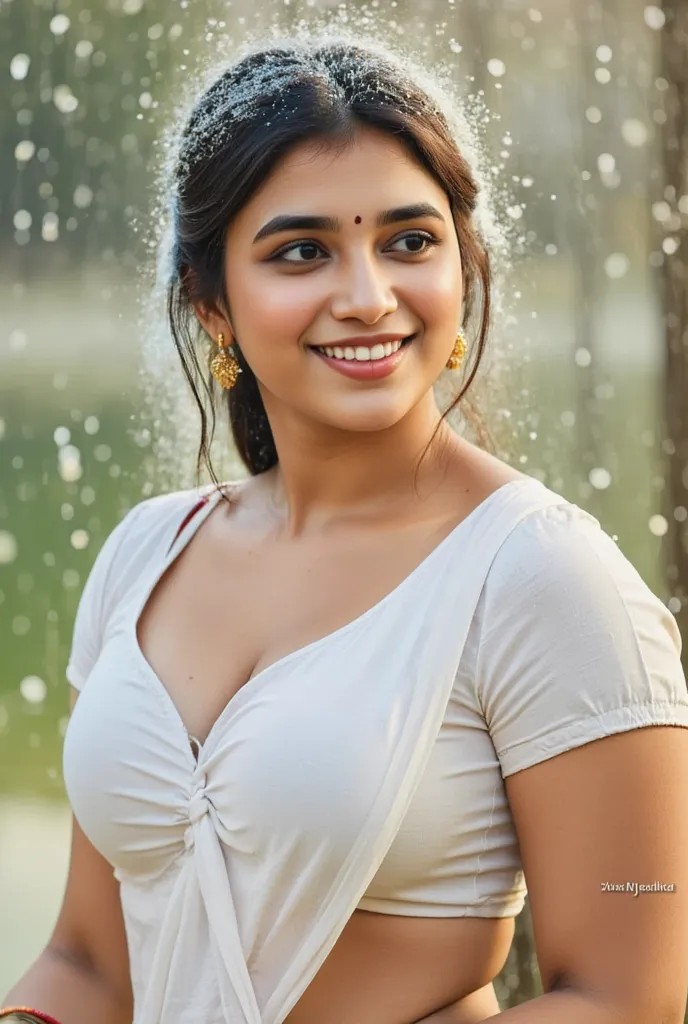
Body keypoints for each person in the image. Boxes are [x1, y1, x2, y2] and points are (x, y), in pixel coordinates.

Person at [4, 34, 688, 1024]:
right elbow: (88, 962)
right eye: (301, 251)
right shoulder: (147, 557)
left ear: (463, 266)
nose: (367, 296)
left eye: (409, 241)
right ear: (211, 302)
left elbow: (631, 999)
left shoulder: (544, 576)